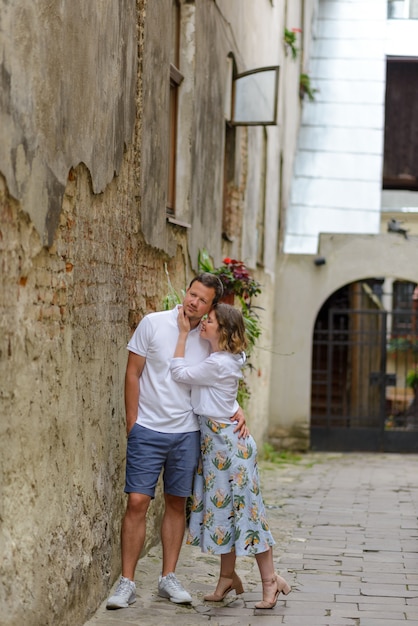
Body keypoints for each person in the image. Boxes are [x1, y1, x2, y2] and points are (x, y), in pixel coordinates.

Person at [106, 273, 248, 610]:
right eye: (191, 293)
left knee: (175, 503)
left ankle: (168, 577)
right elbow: (133, 372)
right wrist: (132, 423)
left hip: (187, 432)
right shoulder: (153, 324)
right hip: (148, 430)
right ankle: (126, 582)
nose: (193, 302)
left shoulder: (208, 335)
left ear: (212, 306)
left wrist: (236, 407)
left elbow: (221, 376)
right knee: (137, 502)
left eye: (202, 300)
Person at [170, 303, 291, 609]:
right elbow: (221, 394)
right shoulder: (223, 358)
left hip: (230, 448)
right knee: (225, 513)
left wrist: (183, 335)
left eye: (208, 321)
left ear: (222, 330)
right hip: (217, 447)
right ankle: (227, 578)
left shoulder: (220, 362)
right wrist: (236, 407)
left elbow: (179, 372)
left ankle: (270, 582)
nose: (203, 324)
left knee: (249, 515)